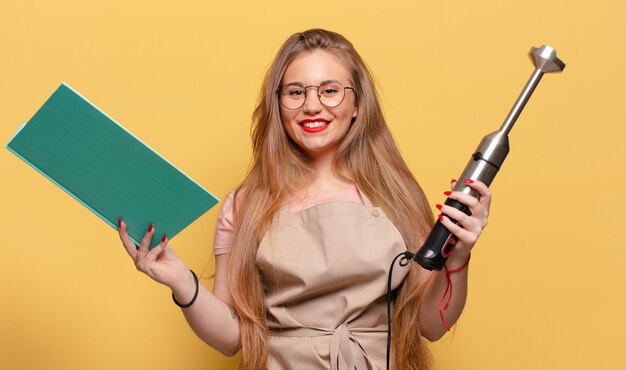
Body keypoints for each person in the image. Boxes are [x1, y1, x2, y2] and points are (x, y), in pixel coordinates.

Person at [117, 29, 491, 370]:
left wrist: (458, 255)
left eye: (329, 90)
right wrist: (182, 281)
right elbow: (232, 338)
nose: (312, 106)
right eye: (296, 92)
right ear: (278, 105)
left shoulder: (396, 195)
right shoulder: (246, 203)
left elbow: (431, 325)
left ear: (358, 103)